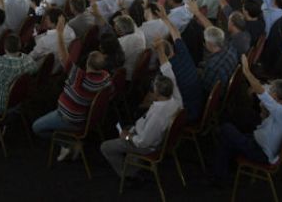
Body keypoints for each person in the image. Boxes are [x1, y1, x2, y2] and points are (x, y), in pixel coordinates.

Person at [100, 37, 182, 182]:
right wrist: (160, 50)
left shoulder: (157, 115)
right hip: (147, 133)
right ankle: (133, 161)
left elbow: (143, 142)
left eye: (153, 90)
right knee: (128, 127)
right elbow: (168, 72)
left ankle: (129, 174)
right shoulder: (177, 100)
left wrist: (127, 137)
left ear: (157, 94)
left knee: (105, 147)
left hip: (147, 145)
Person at [32, 16, 112, 161]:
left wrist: (59, 34)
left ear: (87, 63)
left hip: (69, 118)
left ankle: (67, 143)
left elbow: (64, 57)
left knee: (36, 128)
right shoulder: (106, 78)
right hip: (85, 116)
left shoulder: (80, 77)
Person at [211, 58, 282, 186]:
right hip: (261, 142)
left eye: (270, 91)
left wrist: (246, 71)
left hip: (260, 151)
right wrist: (264, 113)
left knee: (226, 128)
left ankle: (220, 175)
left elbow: (261, 93)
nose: (268, 92)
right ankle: (221, 174)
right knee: (227, 139)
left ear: (275, 97)